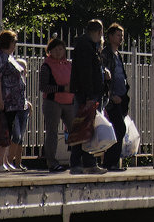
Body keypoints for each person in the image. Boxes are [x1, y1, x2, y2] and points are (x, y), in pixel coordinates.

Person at [69, 19, 108, 175]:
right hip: (87, 94)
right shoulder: (86, 46)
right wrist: (89, 95)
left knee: (84, 129)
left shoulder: (87, 45)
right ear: (99, 32)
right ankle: (83, 163)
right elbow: (86, 73)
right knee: (85, 129)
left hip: (86, 93)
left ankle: (85, 162)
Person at [0, 30, 29, 172]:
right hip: (6, 101)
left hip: (14, 102)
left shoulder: (9, 56)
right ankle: (0, 162)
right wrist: (0, 99)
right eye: (13, 42)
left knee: (9, 131)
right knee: (4, 131)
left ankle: (5, 161)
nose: (15, 45)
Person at [39, 37, 74, 172]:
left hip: (69, 102)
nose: (58, 52)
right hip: (53, 102)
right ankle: (52, 162)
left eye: (61, 49)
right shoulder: (46, 66)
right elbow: (43, 87)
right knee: (52, 132)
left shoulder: (69, 65)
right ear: (50, 51)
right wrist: (61, 89)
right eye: (55, 50)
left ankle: (76, 159)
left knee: (75, 132)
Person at [100, 23, 130, 171]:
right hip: (111, 100)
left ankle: (112, 162)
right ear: (110, 37)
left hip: (121, 98)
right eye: (118, 35)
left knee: (118, 129)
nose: (121, 38)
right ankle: (110, 162)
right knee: (119, 128)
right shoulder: (105, 54)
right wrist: (111, 97)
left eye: (122, 35)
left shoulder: (118, 54)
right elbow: (103, 78)